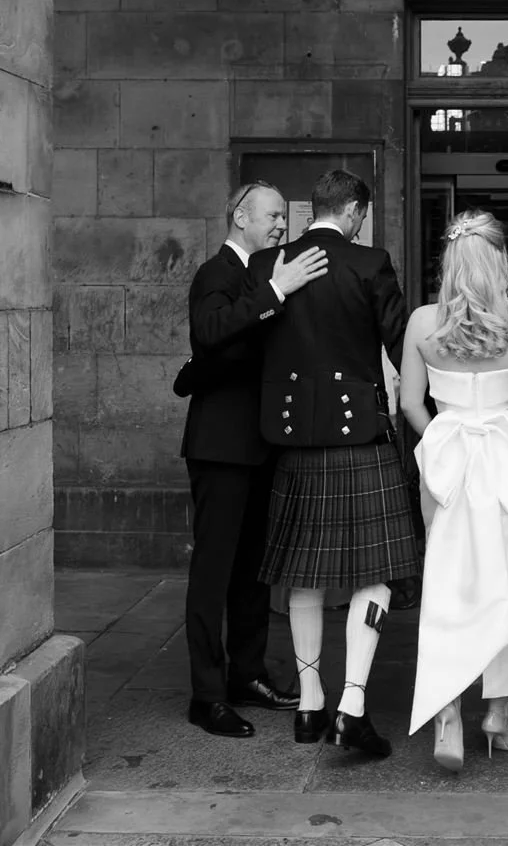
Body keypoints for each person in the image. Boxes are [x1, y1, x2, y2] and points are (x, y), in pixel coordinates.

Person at [251, 169, 417, 761]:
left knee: (304, 574)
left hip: (294, 437)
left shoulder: (271, 263)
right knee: (376, 570)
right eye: (359, 215)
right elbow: (400, 341)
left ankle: (308, 705)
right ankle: (351, 706)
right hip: (360, 437)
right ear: (352, 211)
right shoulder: (370, 263)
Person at [400, 208, 508, 774]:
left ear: (449, 262)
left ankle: (446, 715)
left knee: (448, 583)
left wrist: (445, 436)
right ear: (498, 259)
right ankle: (498, 714)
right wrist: (499, 431)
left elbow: (410, 403)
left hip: (446, 466)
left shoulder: (421, 323)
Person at [178, 182, 328, 737]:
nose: (281, 227)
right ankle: (207, 695)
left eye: (285, 220)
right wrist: (276, 289)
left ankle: (247, 674)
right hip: (220, 447)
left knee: (252, 574)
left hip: (262, 444)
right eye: (272, 217)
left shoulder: (264, 270)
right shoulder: (216, 273)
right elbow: (210, 331)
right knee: (212, 574)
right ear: (240, 216)